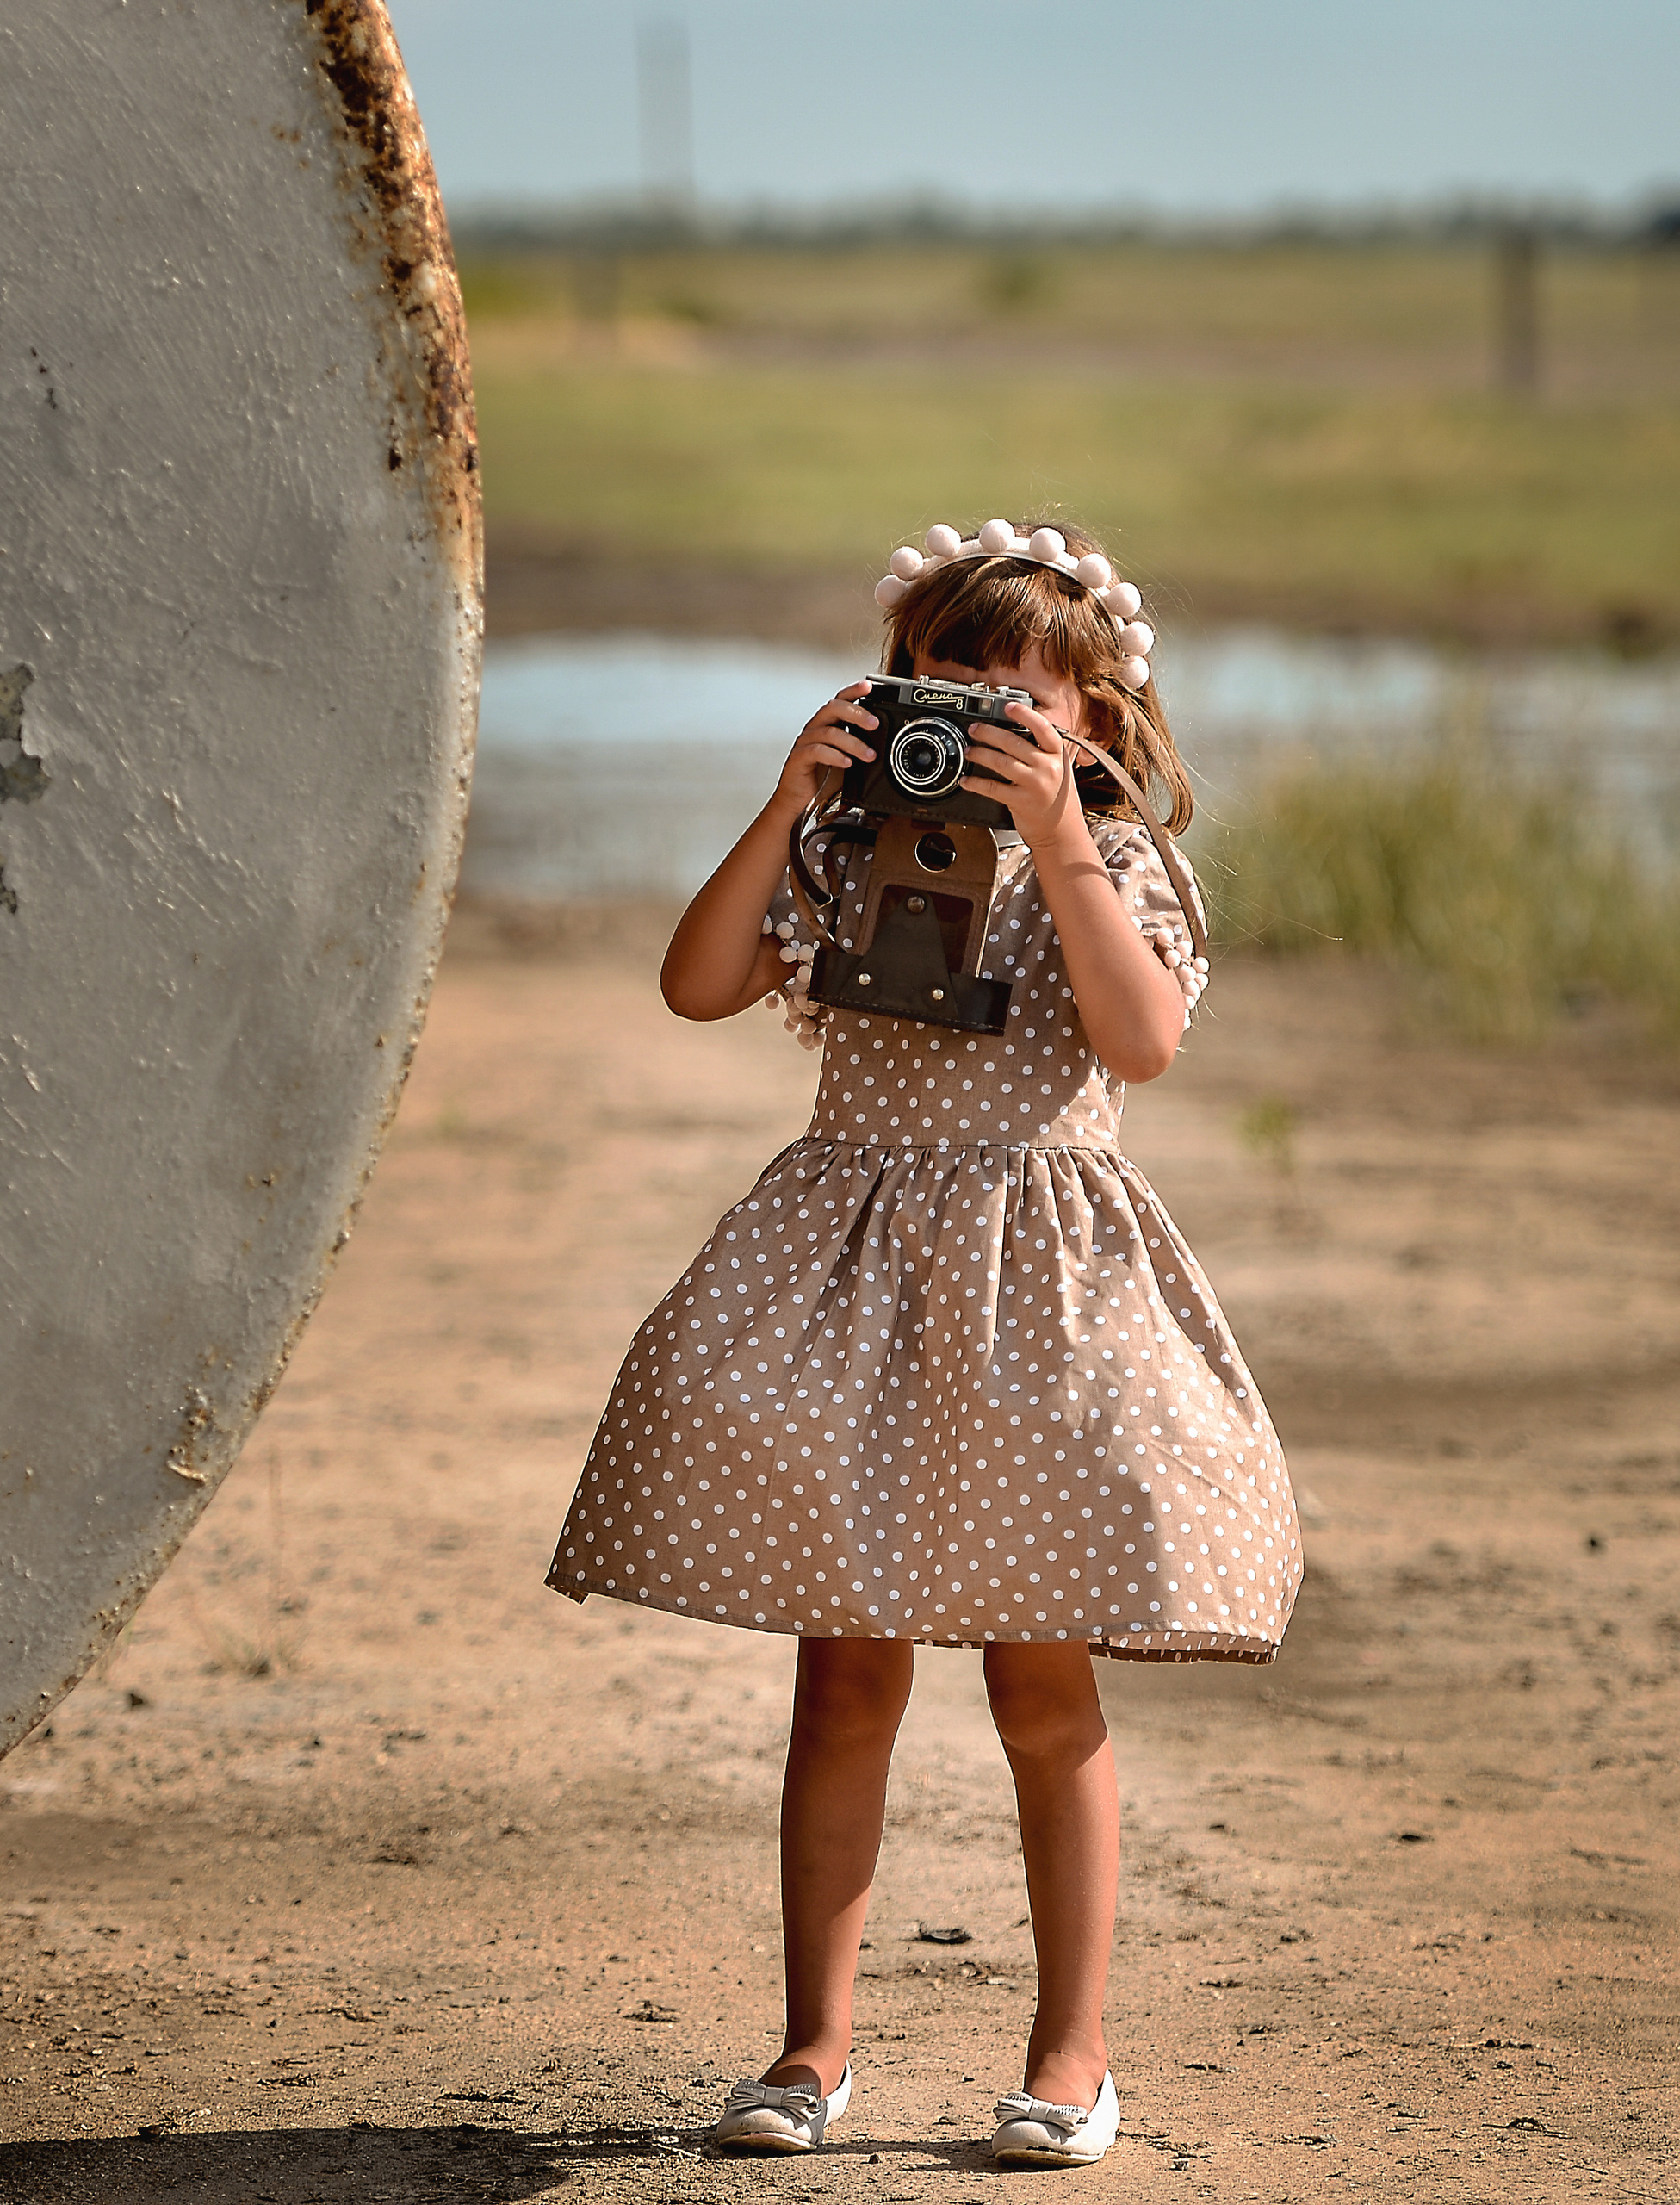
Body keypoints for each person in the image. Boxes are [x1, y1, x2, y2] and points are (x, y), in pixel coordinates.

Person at [546, 518, 1301, 2168]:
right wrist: (786, 802)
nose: (979, 715)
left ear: (1096, 723)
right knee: (842, 1679)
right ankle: (811, 2051)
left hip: (1038, 1298)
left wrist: (1062, 839)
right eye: (945, 682)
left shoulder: (1118, 862)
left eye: (1021, 697)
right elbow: (695, 985)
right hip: (860, 1283)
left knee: (1042, 1686)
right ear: (895, 692)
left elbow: (1141, 1042)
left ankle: (1073, 2056)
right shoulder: (848, 847)